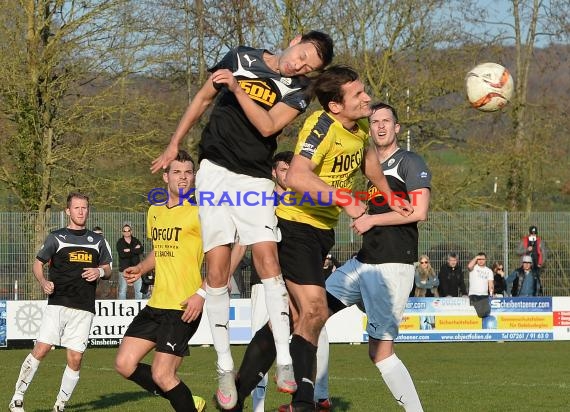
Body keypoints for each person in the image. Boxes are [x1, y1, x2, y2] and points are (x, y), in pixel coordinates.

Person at [151, 31, 334, 410]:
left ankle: (284, 359)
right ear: (295, 39)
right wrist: (173, 143)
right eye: (302, 54)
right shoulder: (238, 55)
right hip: (215, 172)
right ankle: (223, 367)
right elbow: (203, 98)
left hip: (253, 179)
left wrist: (236, 89)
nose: (300, 65)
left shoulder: (298, 91)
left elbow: (268, 126)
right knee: (217, 272)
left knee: (268, 259)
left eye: (309, 66)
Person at [230, 70, 413, 412]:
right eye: (357, 94)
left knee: (288, 318)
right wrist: (346, 200)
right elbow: (298, 176)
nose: (366, 97)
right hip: (295, 226)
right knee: (314, 309)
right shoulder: (321, 125)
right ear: (335, 104)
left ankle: (234, 397)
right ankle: (304, 402)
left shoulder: (358, 131)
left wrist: (389, 196)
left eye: (364, 90)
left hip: (320, 235)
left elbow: (370, 162)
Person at [325, 101, 430, 412]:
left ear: (397, 128)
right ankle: (317, 399)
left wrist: (371, 220)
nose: (380, 126)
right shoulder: (368, 166)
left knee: (380, 352)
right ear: (369, 129)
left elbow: (419, 212)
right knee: (312, 312)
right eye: (375, 122)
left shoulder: (409, 162)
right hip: (363, 261)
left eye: (386, 121)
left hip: (393, 266)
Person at [114, 150, 206, 412]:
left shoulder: (201, 212)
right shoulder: (155, 212)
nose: (183, 177)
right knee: (124, 364)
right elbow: (161, 248)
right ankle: (187, 401)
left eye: (188, 172)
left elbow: (223, 257)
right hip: (156, 304)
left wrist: (202, 293)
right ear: (166, 177)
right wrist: (141, 267)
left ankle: (183, 402)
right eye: (177, 172)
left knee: (163, 374)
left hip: (184, 307)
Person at [9, 192, 112, 412]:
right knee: (42, 349)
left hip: (84, 307)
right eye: (77, 208)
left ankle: (60, 405)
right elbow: (38, 264)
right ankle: (17, 397)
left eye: (84, 208)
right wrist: (43, 281)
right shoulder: (56, 237)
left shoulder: (98, 241)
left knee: (75, 358)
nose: (81, 212)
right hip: (58, 304)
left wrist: (99, 272)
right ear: (68, 211)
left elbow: (108, 269)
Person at [116, 223, 144, 299]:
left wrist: (129, 250)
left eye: (128, 230)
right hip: (124, 270)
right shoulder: (120, 242)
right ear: (122, 232)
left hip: (136, 269)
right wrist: (135, 250)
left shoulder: (136, 240)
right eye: (125, 231)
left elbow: (141, 250)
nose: (127, 232)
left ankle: (139, 308)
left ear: (131, 231)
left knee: (139, 290)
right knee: (122, 291)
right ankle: (121, 308)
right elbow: (122, 255)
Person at [467, 253, 494, 318]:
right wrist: (476, 257)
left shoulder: (489, 271)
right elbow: (469, 266)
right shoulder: (474, 268)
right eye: (479, 259)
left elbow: (490, 284)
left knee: (486, 312)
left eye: (482, 259)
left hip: (484, 295)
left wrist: (491, 294)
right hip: (474, 295)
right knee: (480, 313)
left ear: (485, 260)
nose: (481, 261)